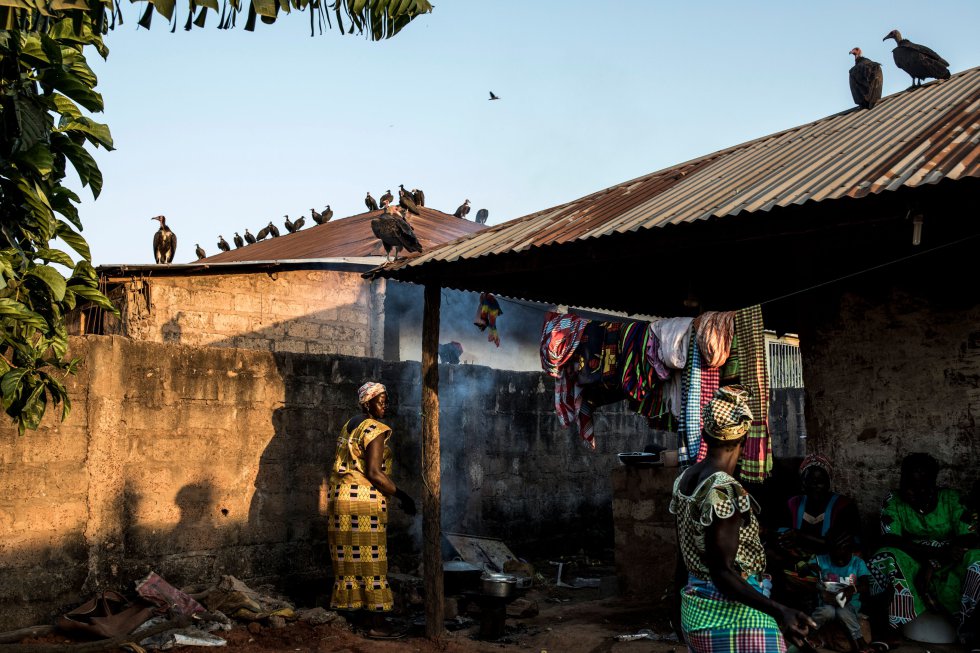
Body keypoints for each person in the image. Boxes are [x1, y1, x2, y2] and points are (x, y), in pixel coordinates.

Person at [671, 385, 815, 652]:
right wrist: (779, 611)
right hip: (728, 616)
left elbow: (683, 553)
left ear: (704, 433)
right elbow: (722, 572)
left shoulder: (685, 480)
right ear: (746, 439)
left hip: (695, 611)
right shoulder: (724, 490)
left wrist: (674, 604)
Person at [326, 381, 417, 639]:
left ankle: (355, 618)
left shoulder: (350, 424)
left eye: (386, 400)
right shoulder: (376, 429)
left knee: (349, 562)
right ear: (367, 403)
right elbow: (375, 474)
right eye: (380, 400)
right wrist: (403, 495)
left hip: (339, 499)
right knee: (372, 562)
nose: (384, 405)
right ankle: (377, 624)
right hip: (363, 502)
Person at [868, 452, 980, 650]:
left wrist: (936, 562)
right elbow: (890, 537)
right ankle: (888, 629)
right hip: (913, 561)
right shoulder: (893, 499)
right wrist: (932, 555)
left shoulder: (951, 499)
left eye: (916, 488)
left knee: (977, 559)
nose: (908, 491)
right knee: (885, 556)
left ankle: (973, 633)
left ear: (930, 487)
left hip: (950, 561)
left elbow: (969, 535)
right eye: (906, 483)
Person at [772, 454, 862, 603]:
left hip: (832, 563)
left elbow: (835, 544)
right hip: (800, 561)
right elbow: (781, 534)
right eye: (810, 481)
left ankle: (818, 593)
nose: (816, 486)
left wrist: (799, 536)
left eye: (821, 482)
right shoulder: (793, 504)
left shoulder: (844, 506)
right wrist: (785, 539)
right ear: (803, 483)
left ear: (828, 482)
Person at [808, 533, 873, 653]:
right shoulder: (820, 560)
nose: (840, 561)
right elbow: (803, 570)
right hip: (827, 604)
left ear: (851, 551)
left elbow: (865, 585)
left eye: (844, 558)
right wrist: (811, 569)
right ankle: (810, 634)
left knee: (843, 610)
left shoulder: (857, 563)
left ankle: (859, 640)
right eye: (835, 558)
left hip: (850, 605)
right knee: (828, 611)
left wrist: (851, 589)